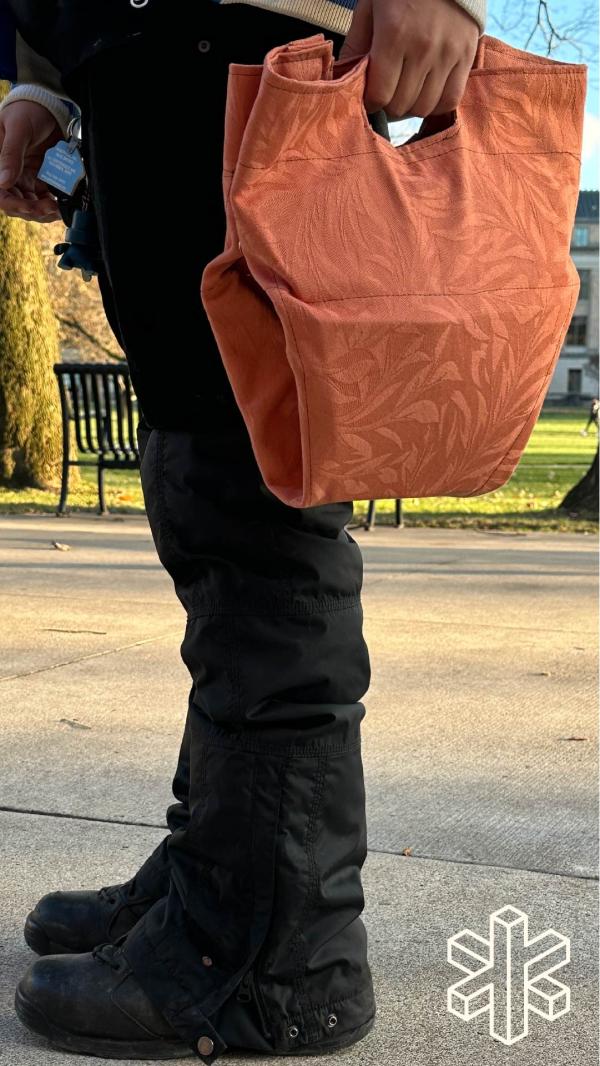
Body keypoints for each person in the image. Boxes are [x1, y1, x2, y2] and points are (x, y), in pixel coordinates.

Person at [0, 0, 484, 1059]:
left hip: (254, 36)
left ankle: (276, 958)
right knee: (204, 481)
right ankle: (222, 871)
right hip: (125, 51)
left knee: (257, 491)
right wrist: (43, 76)